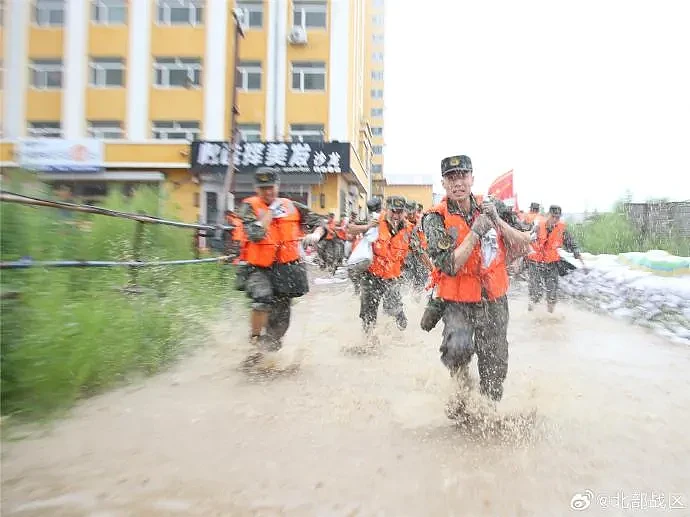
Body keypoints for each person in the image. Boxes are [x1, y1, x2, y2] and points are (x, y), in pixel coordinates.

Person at [422, 154, 531, 409]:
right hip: (457, 301)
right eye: (451, 178)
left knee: (495, 365)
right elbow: (449, 265)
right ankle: (460, 389)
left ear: (472, 178)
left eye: (463, 176)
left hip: (493, 300)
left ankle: (487, 414)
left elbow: (525, 242)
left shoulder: (493, 206)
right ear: (443, 183)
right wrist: (475, 233)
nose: (458, 183)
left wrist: (498, 222)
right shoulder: (434, 218)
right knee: (457, 349)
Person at [236, 167, 326, 357]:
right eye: (263, 188)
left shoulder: (291, 205)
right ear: (256, 188)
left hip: (287, 268)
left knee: (280, 321)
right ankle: (253, 341)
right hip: (258, 268)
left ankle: (266, 351)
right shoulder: (249, 206)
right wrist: (270, 213)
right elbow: (255, 234)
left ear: (277, 186)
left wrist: (316, 234)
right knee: (262, 298)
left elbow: (319, 220)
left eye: (271, 187)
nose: (268, 192)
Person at [359, 195, 413, 342]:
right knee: (368, 313)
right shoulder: (374, 222)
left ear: (404, 212)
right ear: (386, 209)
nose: (396, 215)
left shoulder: (408, 229)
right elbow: (350, 229)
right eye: (393, 211)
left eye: (399, 212)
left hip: (392, 277)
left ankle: (397, 340)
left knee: (399, 317)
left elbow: (419, 250)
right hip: (371, 275)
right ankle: (369, 342)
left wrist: (434, 270)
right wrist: (367, 227)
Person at [527, 204, 585, 313]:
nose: (555, 219)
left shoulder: (561, 228)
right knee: (536, 293)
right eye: (553, 216)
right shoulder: (537, 226)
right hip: (536, 263)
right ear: (548, 215)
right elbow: (526, 240)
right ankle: (530, 312)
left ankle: (550, 316)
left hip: (551, 263)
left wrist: (576, 252)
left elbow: (570, 242)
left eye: (557, 217)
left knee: (552, 293)